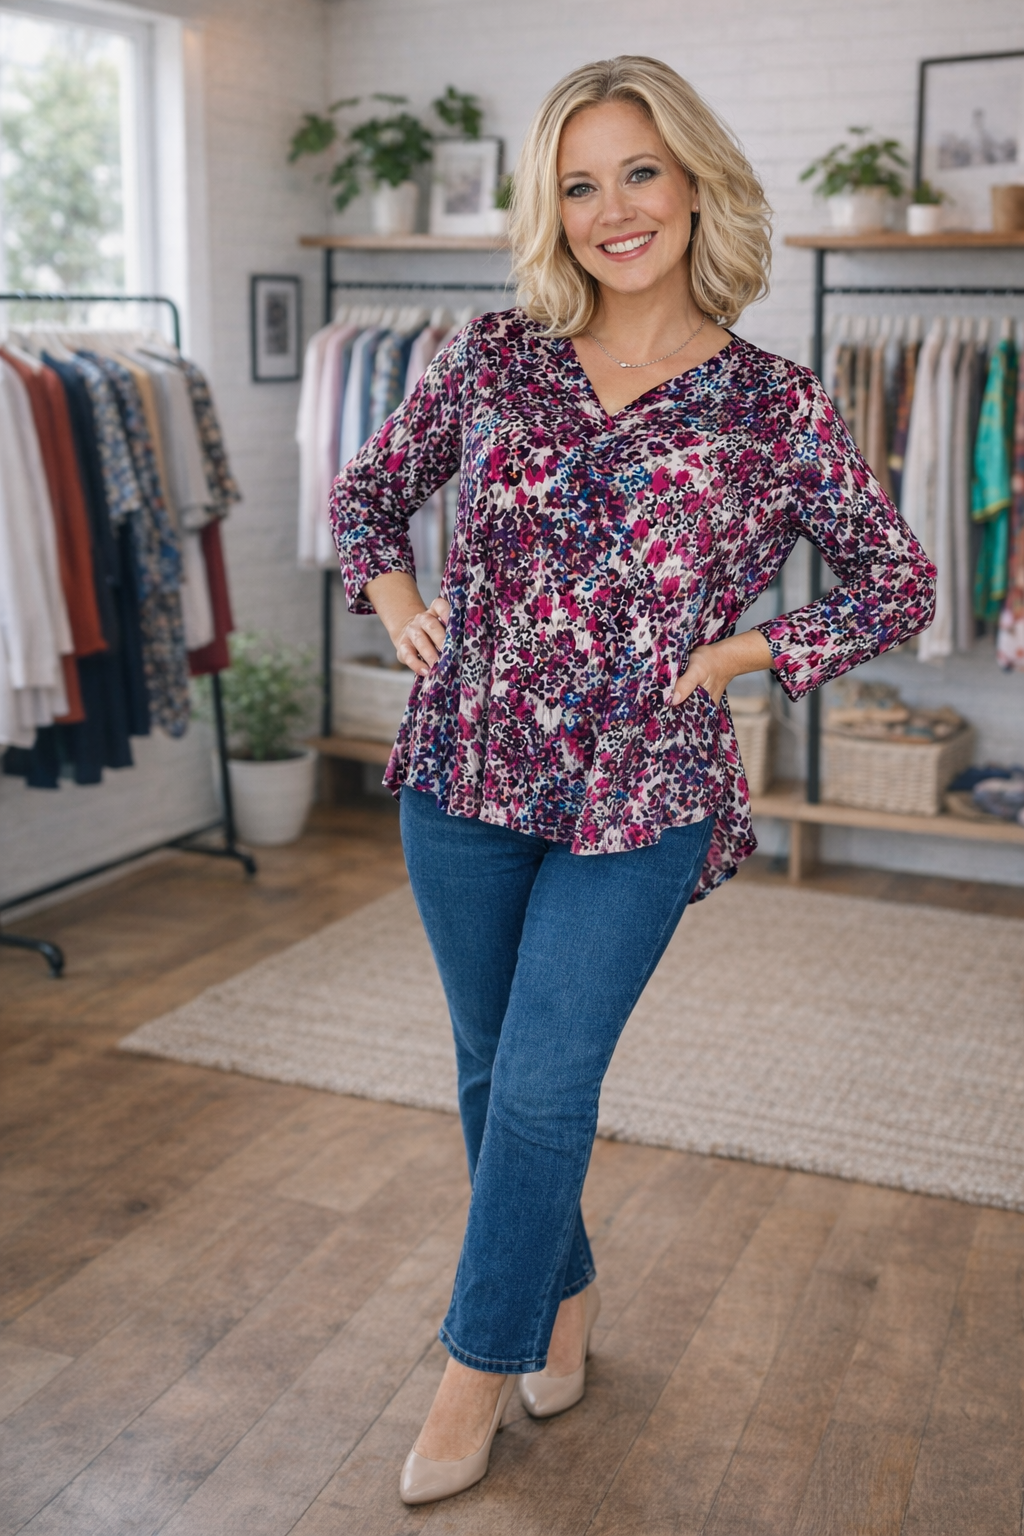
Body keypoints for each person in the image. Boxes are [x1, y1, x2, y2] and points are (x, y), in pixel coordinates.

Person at [330, 55, 936, 1505]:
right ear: (554, 207)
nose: (614, 210)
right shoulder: (490, 355)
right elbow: (364, 496)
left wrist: (738, 657)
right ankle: (567, 1295)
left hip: (643, 794)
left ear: (694, 182)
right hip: (461, 769)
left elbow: (897, 582)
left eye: (639, 173)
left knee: (545, 1083)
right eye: (580, 183)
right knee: (491, 1073)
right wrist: (396, 592)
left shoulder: (774, 407)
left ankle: (474, 1372)